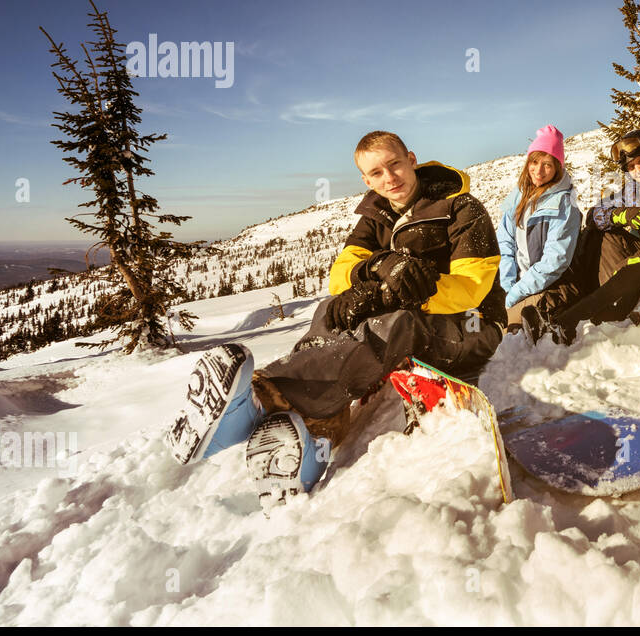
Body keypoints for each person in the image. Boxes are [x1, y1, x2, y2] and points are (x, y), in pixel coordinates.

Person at [166, 130, 506, 503]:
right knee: (331, 310)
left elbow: (472, 287)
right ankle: (311, 439)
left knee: (396, 325)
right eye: (376, 173)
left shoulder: (460, 208)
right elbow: (340, 274)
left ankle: (262, 399)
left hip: (473, 326)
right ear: (366, 179)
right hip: (411, 319)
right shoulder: (376, 213)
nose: (389, 178)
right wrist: (375, 273)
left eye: (394, 165)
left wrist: (400, 294)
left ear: (411, 159)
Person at [520, 129, 640, 344]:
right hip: (628, 264)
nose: (638, 169)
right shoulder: (631, 191)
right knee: (595, 232)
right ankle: (557, 305)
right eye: (631, 167)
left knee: (629, 259)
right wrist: (620, 215)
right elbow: (594, 214)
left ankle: (568, 320)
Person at [496, 125, 581, 332]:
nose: (539, 171)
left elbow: (555, 261)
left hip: (549, 286)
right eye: (534, 162)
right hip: (516, 283)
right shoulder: (520, 193)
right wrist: (506, 285)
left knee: (500, 326)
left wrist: (515, 294)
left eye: (547, 165)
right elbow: (504, 241)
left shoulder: (564, 203)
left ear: (557, 167)